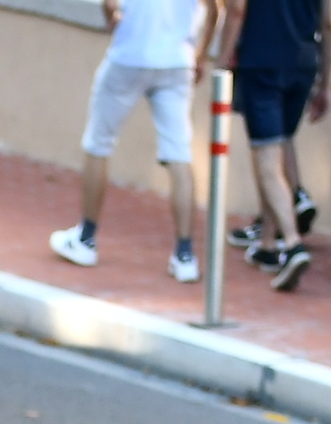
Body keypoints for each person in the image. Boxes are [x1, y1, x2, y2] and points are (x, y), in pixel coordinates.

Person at [48, 0, 220, 282]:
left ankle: (87, 238)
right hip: (177, 59)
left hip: (130, 54)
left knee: (98, 143)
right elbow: (215, 10)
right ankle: (185, 254)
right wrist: (201, 54)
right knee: (179, 153)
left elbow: (109, 4)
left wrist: (112, 16)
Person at [215, 0, 331, 290]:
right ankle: (267, 243)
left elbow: (236, 10)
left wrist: (221, 60)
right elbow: (328, 24)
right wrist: (326, 82)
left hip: (262, 60)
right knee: (279, 146)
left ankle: (292, 243)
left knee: (267, 160)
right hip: (303, 63)